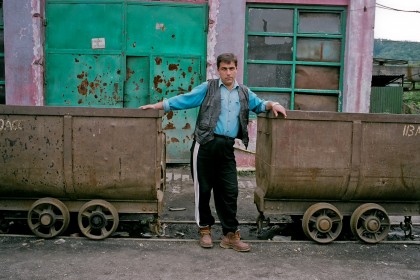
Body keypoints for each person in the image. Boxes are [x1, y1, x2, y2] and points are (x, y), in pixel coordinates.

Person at [140, 53, 287, 252]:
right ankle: (205, 230)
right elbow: (185, 100)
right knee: (203, 190)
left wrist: (273, 104)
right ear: (218, 70)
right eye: (224, 69)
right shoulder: (208, 88)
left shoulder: (243, 92)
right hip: (205, 145)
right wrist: (158, 106)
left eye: (231, 68)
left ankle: (230, 235)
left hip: (226, 148)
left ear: (237, 69)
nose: (228, 72)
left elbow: (259, 105)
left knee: (230, 191)